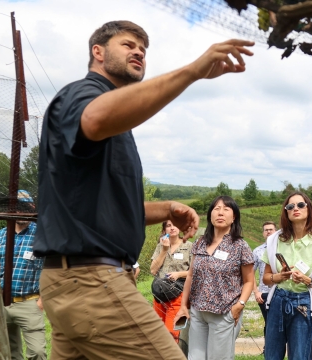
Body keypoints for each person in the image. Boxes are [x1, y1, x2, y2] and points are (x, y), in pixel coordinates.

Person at [34, 20, 252, 359]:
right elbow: (94, 119)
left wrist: (165, 209)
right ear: (98, 52)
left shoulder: (115, 120)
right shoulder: (84, 94)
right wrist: (192, 71)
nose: (138, 51)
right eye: (128, 44)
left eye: (144, 49)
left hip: (72, 282)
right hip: (92, 281)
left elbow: (100, 211)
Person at [175, 196, 255, 360]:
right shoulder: (200, 243)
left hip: (224, 313)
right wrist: (184, 305)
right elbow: (191, 275)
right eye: (216, 209)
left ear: (233, 217)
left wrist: (239, 306)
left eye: (226, 209)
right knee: (195, 358)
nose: (220, 213)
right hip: (198, 312)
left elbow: (249, 281)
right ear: (210, 215)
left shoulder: (240, 246)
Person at [262, 192, 312, 360]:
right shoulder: (276, 240)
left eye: (300, 205)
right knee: (272, 355)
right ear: (286, 212)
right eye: (290, 206)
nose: (295, 208)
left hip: (303, 301)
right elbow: (266, 278)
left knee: (299, 356)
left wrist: (307, 280)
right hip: (278, 300)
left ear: (308, 209)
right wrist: (278, 277)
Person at [0, 190, 46, 360]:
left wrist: (41, 301)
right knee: (10, 352)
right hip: (3, 304)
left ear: (32, 208)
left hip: (30, 302)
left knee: (37, 352)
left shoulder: (42, 235)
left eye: (25, 207)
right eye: (16, 207)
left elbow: (52, 269)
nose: (20, 211)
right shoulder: (0, 235)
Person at [150, 220, 194, 343]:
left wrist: (179, 274)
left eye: (175, 224)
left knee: (171, 334)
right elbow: (153, 270)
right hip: (159, 294)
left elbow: (194, 271)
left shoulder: (189, 246)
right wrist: (164, 250)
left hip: (178, 295)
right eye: (168, 226)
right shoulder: (161, 246)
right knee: (158, 332)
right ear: (164, 230)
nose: (172, 228)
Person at [252, 221, 278, 342]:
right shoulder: (257, 251)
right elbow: (250, 273)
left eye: (271, 229)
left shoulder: (282, 247)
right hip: (264, 292)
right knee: (269, 322)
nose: (268, 231)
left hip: (280, 291)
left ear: (276, 231)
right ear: (263, 233)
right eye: (266, 230)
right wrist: (256, 292)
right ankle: (267, 348)